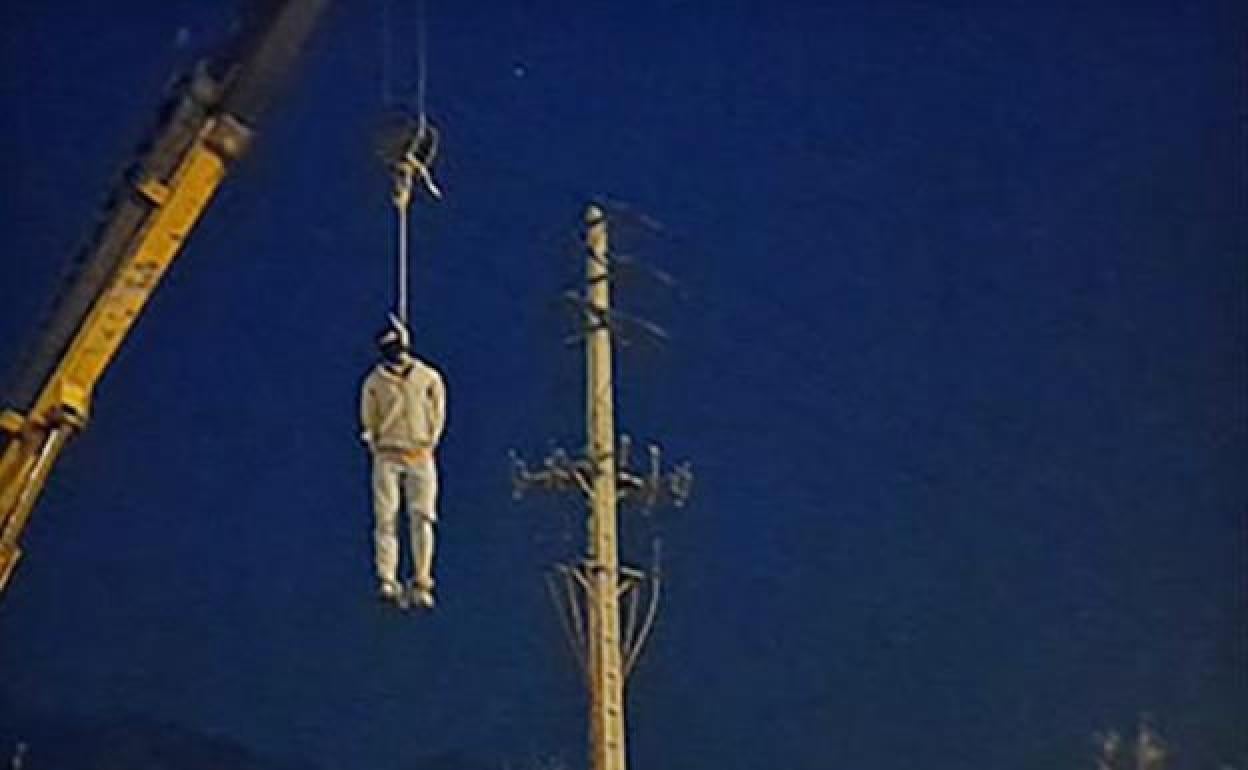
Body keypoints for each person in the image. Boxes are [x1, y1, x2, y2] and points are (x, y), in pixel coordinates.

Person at [359, 315, 446, 609]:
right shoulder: (375, 382)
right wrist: (376, 444)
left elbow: (438, 411)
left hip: (420, 455)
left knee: (422, 518)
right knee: (386, 518)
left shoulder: (428, 378)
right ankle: (387, 577)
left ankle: (422, 579)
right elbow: (368, 418)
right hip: (388, 456)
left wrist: (429, 440)